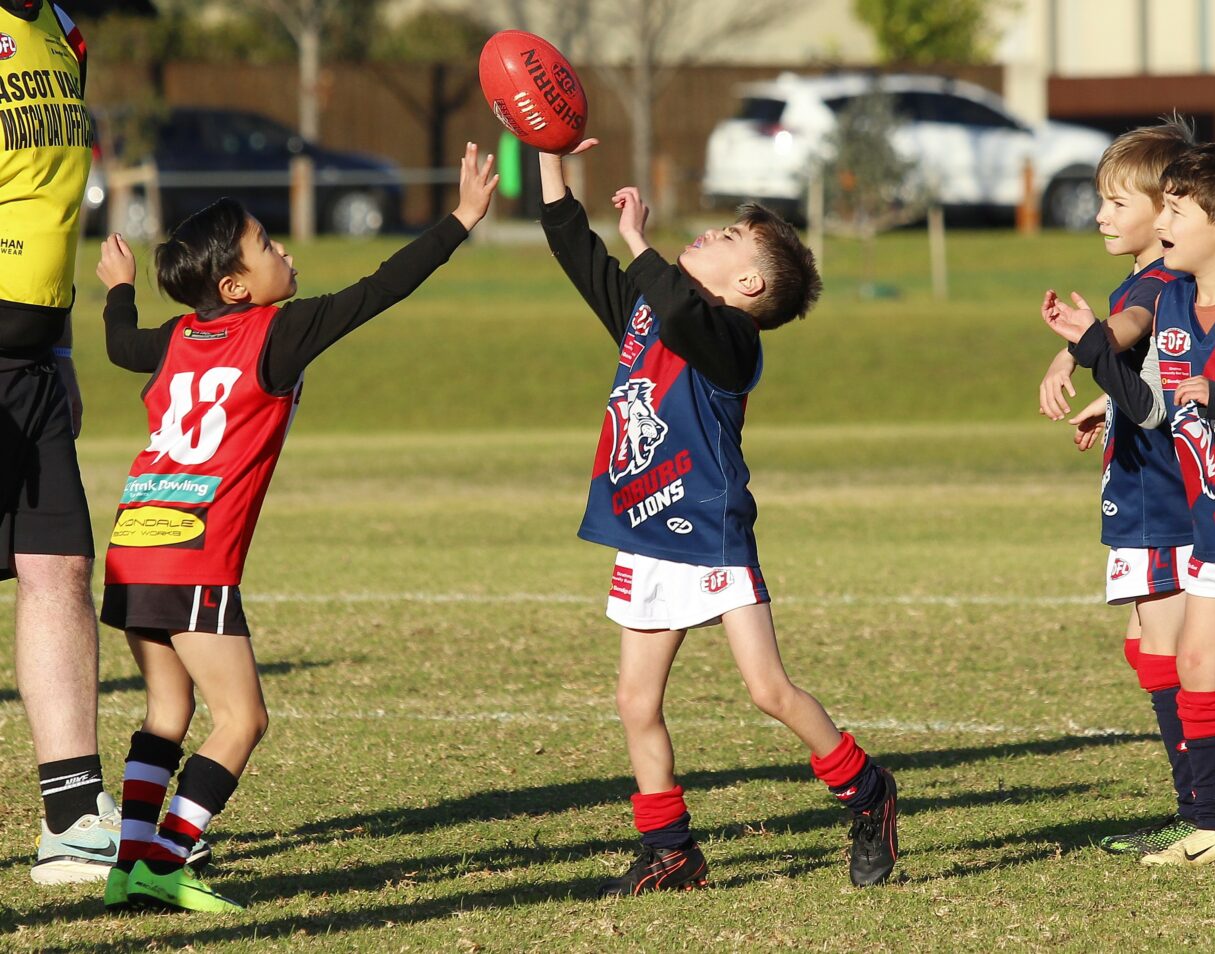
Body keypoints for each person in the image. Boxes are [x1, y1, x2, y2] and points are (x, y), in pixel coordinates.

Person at [94, 143, 498, 911]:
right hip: (192, 555)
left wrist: (119, 289)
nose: (283, 249)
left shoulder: (176, 338)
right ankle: (165, 862)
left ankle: (130, 863)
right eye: (266, 244)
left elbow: (120, 346)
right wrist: (461, 218)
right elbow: (382, 289)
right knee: (243, 719)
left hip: (135, 541)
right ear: (236, 286)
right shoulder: (276, 333)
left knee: (167, 714)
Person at [538, 141, 897, 895]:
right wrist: (550, 155)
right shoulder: (647, 311)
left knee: (769, 691)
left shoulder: (734, 340)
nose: (709, 233)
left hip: (711, 531)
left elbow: (678, 307)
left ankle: (869, 794)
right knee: (635, 701)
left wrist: (639, 241)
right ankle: (672, 851)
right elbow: (574, 248)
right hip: (645, 530)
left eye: (729, 237)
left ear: (748, 284)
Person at [1037, 123, 1215, 857]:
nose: (1161, 222)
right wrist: (1089, 354)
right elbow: (1152, 403)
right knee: (1188, 666)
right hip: (1213, 528)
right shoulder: (1174, 301)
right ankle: (1212, 825)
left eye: (1174, 210)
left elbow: (1212, 391)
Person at [0, 0, 120, 884]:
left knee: (60, 565)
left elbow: (57, 205)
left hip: (33, 355)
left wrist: (65, 348)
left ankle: (73, 818)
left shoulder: (64, 31)